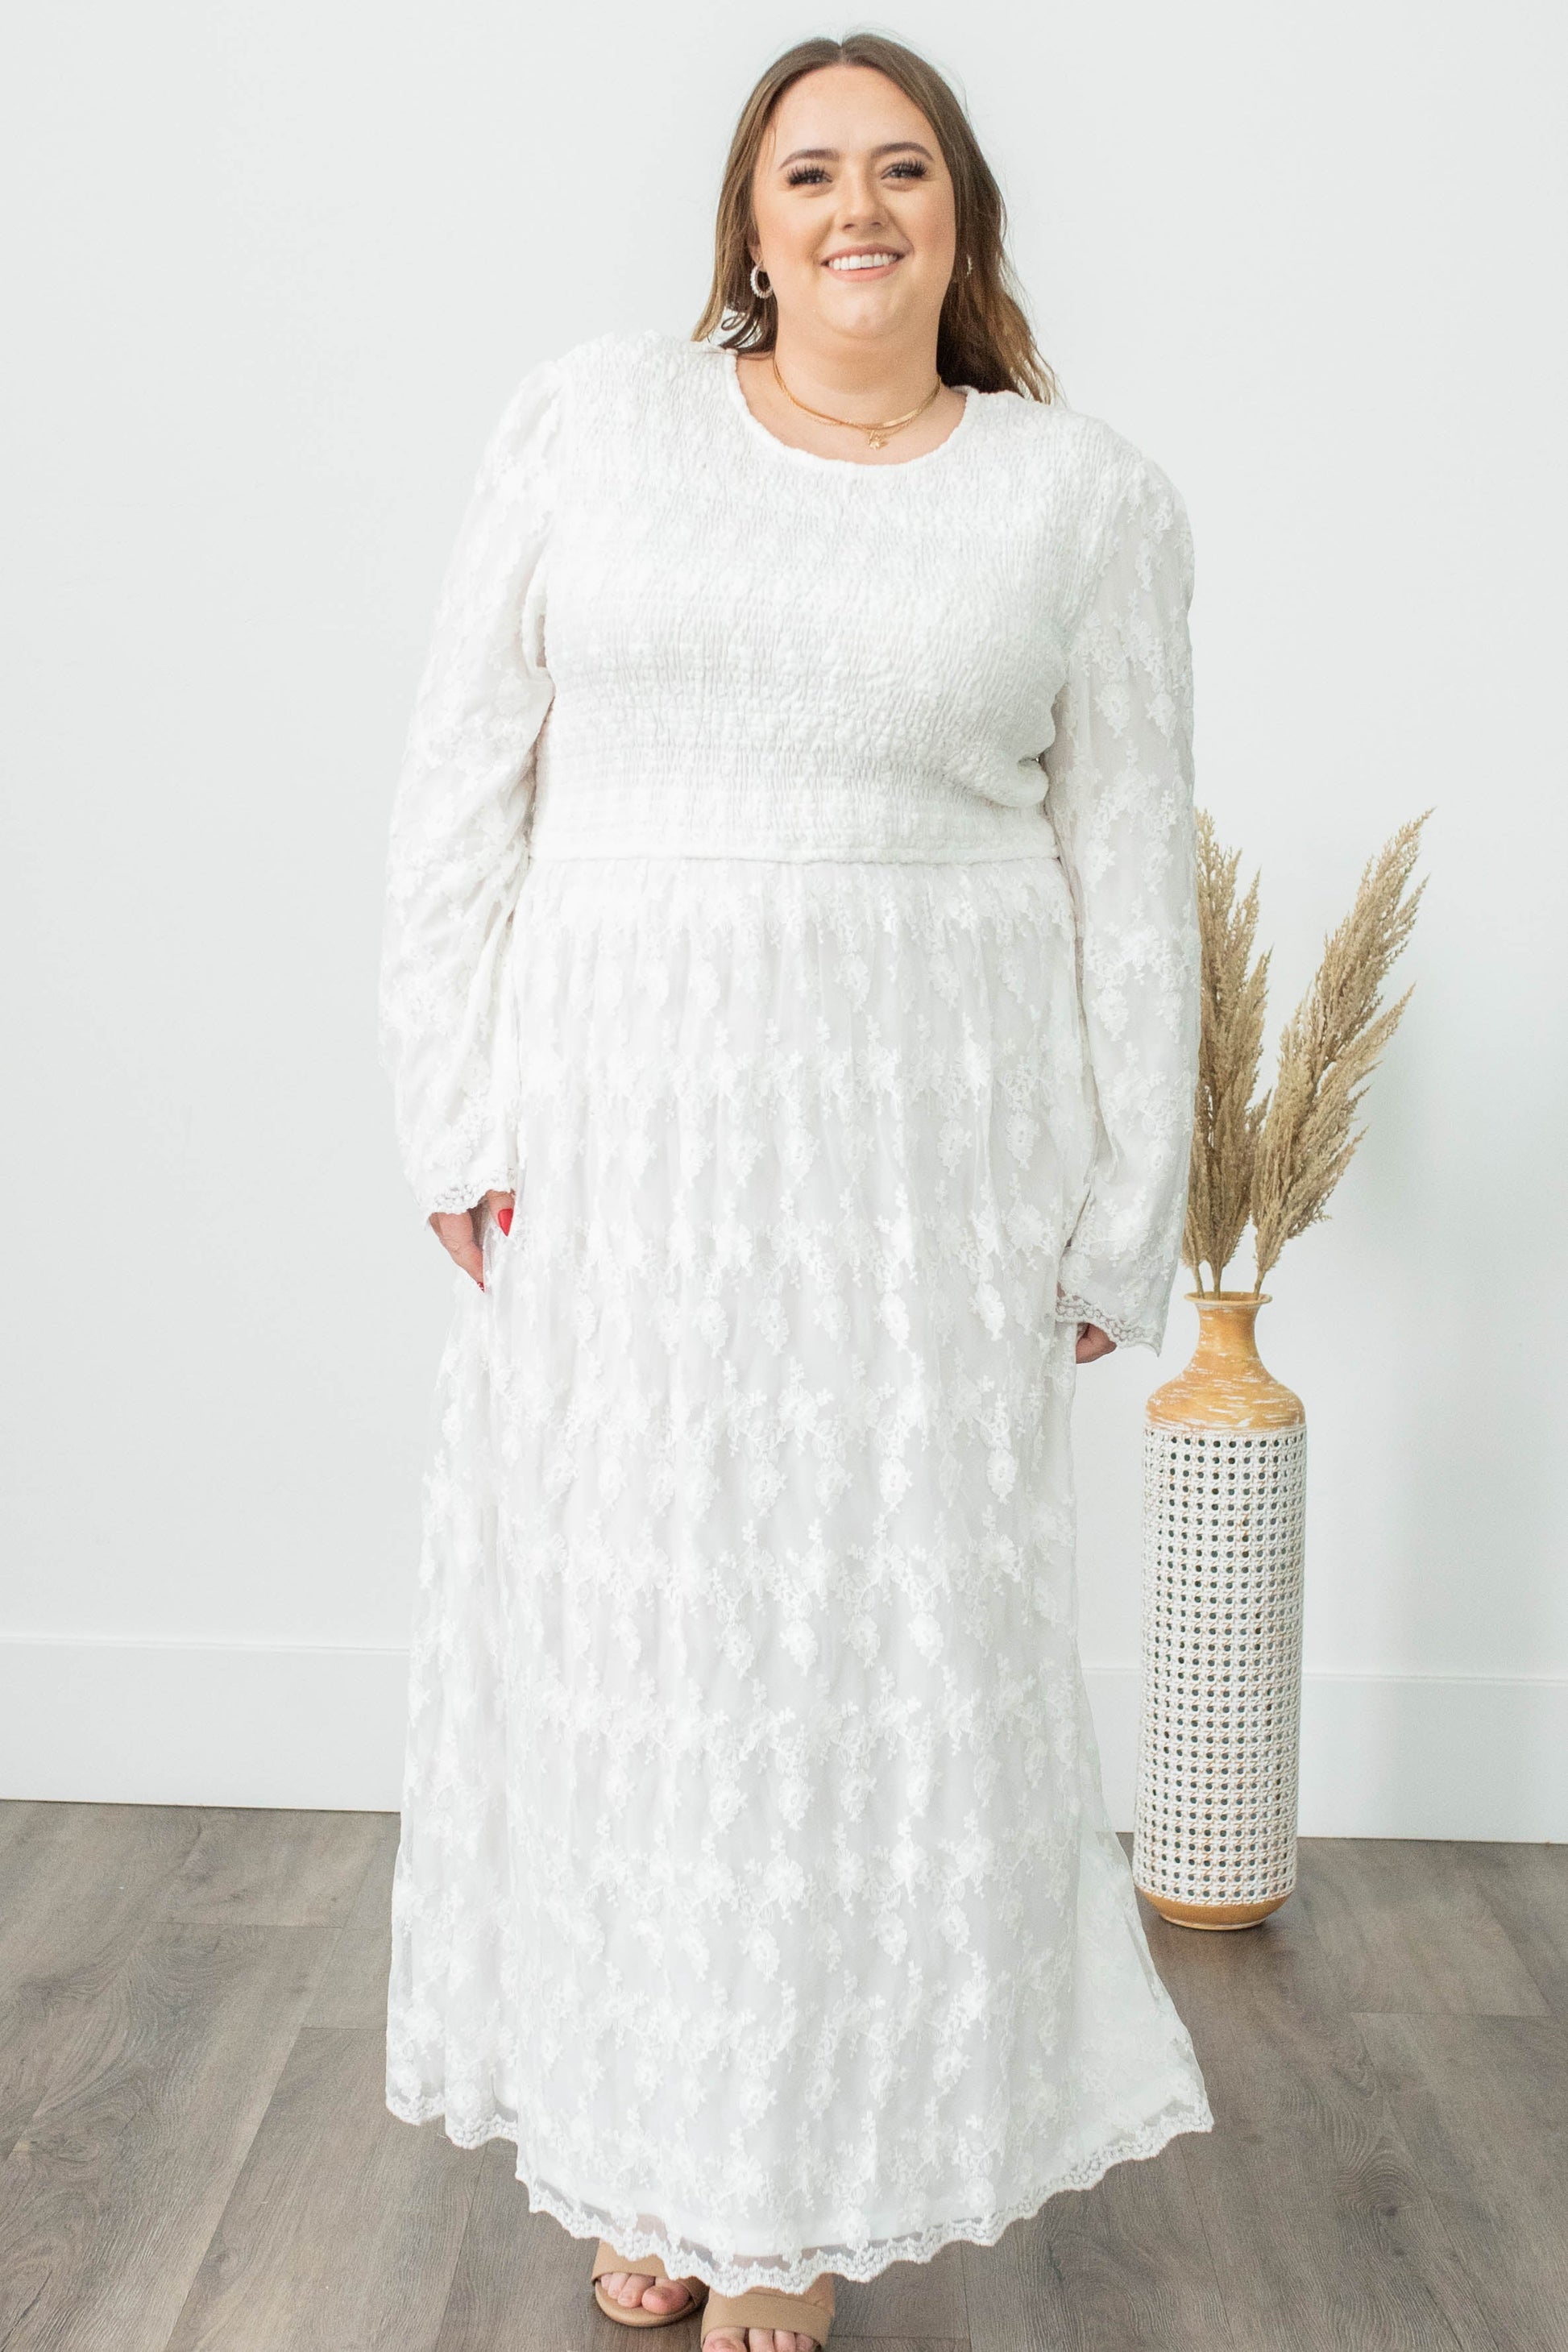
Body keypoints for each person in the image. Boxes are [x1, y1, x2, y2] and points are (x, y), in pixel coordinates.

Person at [377, 31, 1214, 2352]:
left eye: (903, 169)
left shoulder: (1083, 501)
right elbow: (461, 777)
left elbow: (1131, 873)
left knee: (860, 1651)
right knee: (633, 1640)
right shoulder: (589, 425)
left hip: (922, 1159)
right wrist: (452, 1112)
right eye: (812, 171)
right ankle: (648, 2137)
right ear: (749, 224)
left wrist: (1119, 1215)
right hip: (629, 1141)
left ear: (963, 217)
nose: (859, 208)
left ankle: (785, 2194)